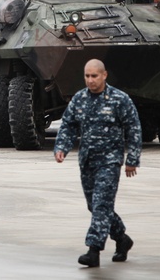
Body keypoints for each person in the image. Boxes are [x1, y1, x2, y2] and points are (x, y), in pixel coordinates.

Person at [54, 58, 142, 268]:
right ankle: (122, 239)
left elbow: (133, 128)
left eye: (94, 76)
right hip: (87, 160)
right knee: (95, 206)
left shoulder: (119, 99)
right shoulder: (79, 99)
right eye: (87, 76)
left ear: (104, 75)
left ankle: (93, 250)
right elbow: (68, 124)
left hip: (110, 161)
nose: (90, 80)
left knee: (102, 203)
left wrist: (132, 159)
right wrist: (62, 147)